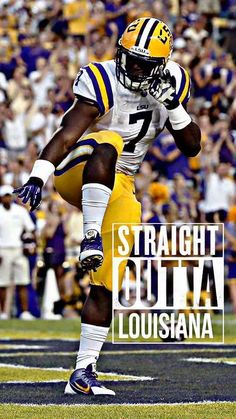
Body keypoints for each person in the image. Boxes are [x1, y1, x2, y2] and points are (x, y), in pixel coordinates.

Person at [14, 17, 201, 396]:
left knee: (105, 284)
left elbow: (192, 147)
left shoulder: (174, 82)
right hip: (79, 171)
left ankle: (83, 372)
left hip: (121, 186)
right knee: (109, 140)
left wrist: (175, 107)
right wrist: (38, 175)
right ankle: (89, 236)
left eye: (141, 63)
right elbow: (68, 133)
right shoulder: (102, 78)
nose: (132, 68)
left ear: (160, 67)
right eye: (128, 58)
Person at [0, 185, 36, 320]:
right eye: (5, 196)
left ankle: (25, 312)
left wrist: (31, 244)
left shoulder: (20, 211)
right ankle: (3, 312)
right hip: (3, 250)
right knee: (2, 283)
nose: (7, 198)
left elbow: (31, 229)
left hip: (19, 249)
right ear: (1, 198)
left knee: (22, 281)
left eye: (9, 196)